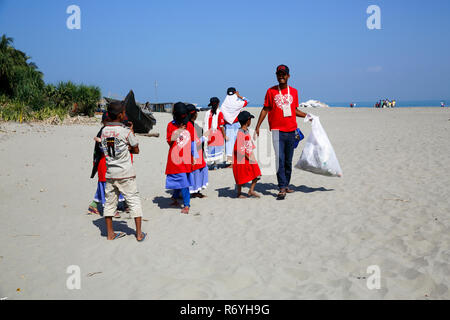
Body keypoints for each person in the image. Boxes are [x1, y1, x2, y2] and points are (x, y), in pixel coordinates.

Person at [254, 64, 310, 200]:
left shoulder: (294, 92)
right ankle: (281, 187)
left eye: (284, 74)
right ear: (276, 75)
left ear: (288, 76)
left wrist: (307, 116)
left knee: (288, 161)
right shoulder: (271, 91)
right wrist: (257, 126)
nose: (281, 76)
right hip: (277, 131)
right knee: (280, 159)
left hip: (291, 131)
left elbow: (294, 110)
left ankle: (286, 184)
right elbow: (265, 109)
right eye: (279, 74)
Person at [100, 101, 146, 241]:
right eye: (124, 113)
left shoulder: (104, 131)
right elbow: (136, 149)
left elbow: (110, 148)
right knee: (133, 201)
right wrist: (131, 133)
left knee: (109, 204)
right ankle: (138, 234)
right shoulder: (125, 131)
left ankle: (110, 233)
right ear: (120, 115)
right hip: (126, 173)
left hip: (111, 173)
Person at [88, 112, 128, 217]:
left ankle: (95, 205)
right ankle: (109, 209)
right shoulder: (105, 132)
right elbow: (108, 149)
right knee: (107, 186)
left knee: (114, 184)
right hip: (104, 163)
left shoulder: (110, 131)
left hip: (111, 162)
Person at [165, 102, 196, 214]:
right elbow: (169, 141)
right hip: (175, 158)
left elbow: (192, 143)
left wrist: (194, 156)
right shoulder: (170, 125)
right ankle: (177, 199)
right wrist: (179, 131)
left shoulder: (190, 125)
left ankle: (186, 204)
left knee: (184, 180)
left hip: (187, 158)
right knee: (178, 179)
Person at [233, 111, 261, 198]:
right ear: (247, 121)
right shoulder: (240, 133)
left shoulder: (246, 131)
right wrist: (249, 157)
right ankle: (239, 193)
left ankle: (251, 190)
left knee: (257, 173)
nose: (250, 122)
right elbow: (240, 148)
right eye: (250, 119)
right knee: (241, 176)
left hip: (248, 156)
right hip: (242, 158)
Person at [221, 87, 248, 167]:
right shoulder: (237, 102)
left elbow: (223, 116)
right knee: (238, 142)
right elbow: (247, 101)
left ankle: (230, 162)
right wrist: (239, 96)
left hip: (228, 125)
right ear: (235, 92)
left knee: (229, 144)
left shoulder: (224, 104)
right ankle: (239, 160)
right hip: (237, 124)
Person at [186, 104, 208, 198]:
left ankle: (194, 190)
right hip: (194, 153)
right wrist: (203, 138)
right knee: (197, 172)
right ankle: (195, 191)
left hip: (192, 152)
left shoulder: (187, 124)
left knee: (195, 172)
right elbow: (193, 141)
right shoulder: (190, 125)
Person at [203, 97, 227, 169]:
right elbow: (221, 125)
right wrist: (224, 135)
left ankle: (211, 163)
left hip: (208, 133)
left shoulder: (207, 113)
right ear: (218, 104)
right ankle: (215, 164)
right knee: (217, 148)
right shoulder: (219, 113)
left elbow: (204, 124)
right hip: (217, 134)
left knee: (209, 148)